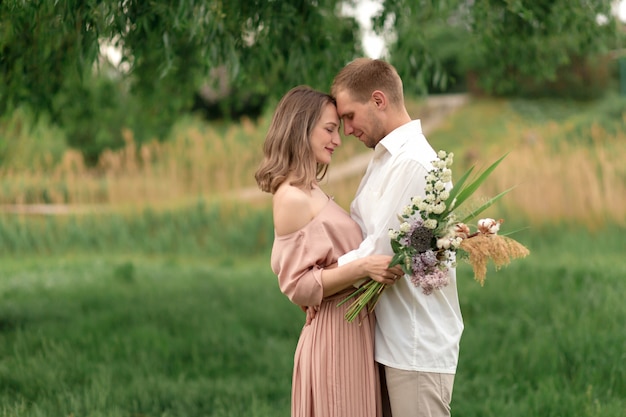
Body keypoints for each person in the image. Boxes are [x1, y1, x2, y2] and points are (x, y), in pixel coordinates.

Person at [254, 85, 404, 417]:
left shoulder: (311, 189)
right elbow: (298, 287)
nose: (338, 139)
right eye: (330, 129)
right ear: (300, 128)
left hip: (354, 329)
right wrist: (363, 269)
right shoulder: (291, 197)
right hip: (336, 336)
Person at [331, 58, 464, 417]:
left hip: (415, 344)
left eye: (349, 116)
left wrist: (317, 277)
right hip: (388, 339)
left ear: (378, 100)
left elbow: (378, 252)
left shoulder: (413, 163)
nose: (345, 130)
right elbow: (359, 232)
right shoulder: (384, 159)